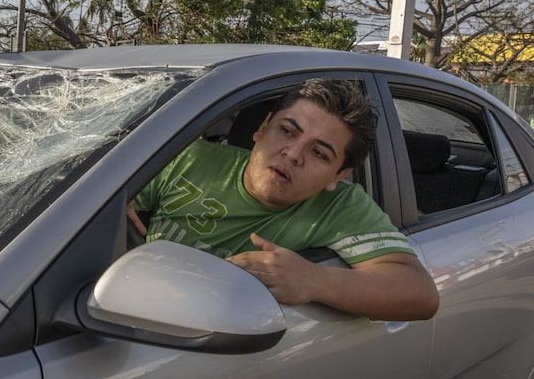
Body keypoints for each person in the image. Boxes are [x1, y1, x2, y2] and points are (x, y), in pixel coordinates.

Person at [128, 78, 439, 321]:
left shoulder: (337, 206)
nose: (293, 154)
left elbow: (419, 294)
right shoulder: (189, 159)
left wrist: (312, 279)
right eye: (287, 131)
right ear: (262, 129)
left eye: (319, 152)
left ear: (338, 176)